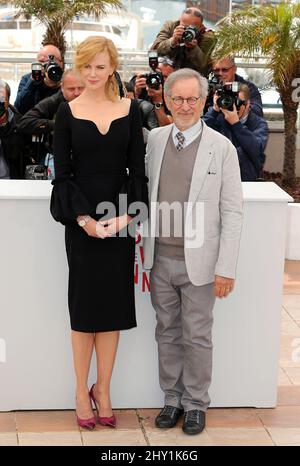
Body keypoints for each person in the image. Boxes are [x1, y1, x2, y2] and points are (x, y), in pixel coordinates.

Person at [50, 36, 148, 430]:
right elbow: (62, 177)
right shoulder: (66, 112)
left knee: (112, 311)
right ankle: (80, 390)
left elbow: (138, 173)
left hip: (119, 221)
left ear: (112, 68)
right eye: (87, 66)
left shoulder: (132, 110)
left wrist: (124, 218)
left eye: (100, 67)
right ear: (79, 65)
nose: (93, 74)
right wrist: (85, 221)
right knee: (85, 311)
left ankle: (103, 389)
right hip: (82, 223)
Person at [143, 68, 243, 435]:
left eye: (192, 99)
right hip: (160, 259)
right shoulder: (153, 140)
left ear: (204, 101)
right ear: (167, 101)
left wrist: (226, 267)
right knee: (166, 331)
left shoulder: (222, 147)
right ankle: (172, 399)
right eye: (178, 99)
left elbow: (233, 211)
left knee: (197, 335)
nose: (185, 106)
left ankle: (196, 404)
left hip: (200, 262)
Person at [18, 69, 85, 171]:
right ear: (62, 87)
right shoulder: (54, 101)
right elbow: (24, 123)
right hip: (57, 157)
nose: (77, 93)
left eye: (81, 88)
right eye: (71, 89)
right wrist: (56, 125)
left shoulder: (95, 102)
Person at [203, 83, 268, 181]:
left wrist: (236, 125)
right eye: (229, 101)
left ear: (247, 104)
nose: (233, 107)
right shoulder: (220, 118)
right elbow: (199, 133)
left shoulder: (259, 124)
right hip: (218, 178)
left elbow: (256, 150)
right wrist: (215, 109)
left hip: (245, 180)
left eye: (237, 102)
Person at [151, 7, 215, 77]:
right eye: (184, 27)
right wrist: (172, 41)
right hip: (166, 74)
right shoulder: (171, 26)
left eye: (192, 28)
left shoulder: (207, 36)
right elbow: (153, 51)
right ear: (180, 21)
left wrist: (194, 49)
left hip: (191, 78)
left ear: (201, 27)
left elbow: (206, 68)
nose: (187, 31)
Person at [14, 44, 64, 114]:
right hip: (31, 122)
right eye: (41, 61)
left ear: (60, 64)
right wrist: (31, 82)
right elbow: (18, 108)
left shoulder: (66, 80)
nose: (44, 65)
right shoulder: (27, 79)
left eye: (49, 62)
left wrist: (56, 87)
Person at [0, 80, 25, 179]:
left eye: (2, 98)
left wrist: (4, 126)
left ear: (8, 100)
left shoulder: (19, 124)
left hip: (12, 181)